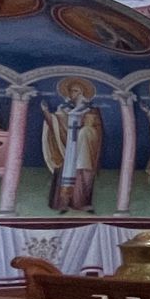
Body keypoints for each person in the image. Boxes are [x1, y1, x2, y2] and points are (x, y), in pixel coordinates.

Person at [40, 81, 103, 213]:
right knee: (65, 174)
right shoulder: (66, 109)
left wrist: (86, 131)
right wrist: (46, 112)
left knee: (83, 175)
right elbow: (57, 123)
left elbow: (95, 129)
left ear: (81, 93)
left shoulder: (91, 109)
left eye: (74, 91)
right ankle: (64, 204)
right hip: (69, 150)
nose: (71, 94)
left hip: (83, 150)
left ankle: (82, 204)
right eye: (70, 91)